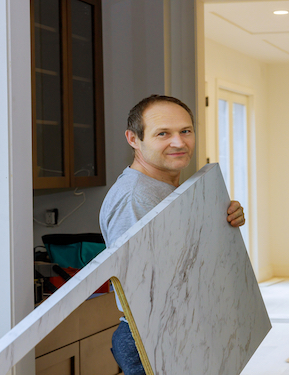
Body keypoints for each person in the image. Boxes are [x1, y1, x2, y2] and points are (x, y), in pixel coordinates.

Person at [99, 95, 246, 375]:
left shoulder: (169, 189)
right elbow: (145, 289)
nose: (178, 143)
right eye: (163, 133)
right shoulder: (135, 198)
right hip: (156, 336)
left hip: (182, 329)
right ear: (133, 139)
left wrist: (222, 225)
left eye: (185, 131)